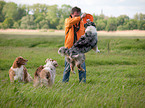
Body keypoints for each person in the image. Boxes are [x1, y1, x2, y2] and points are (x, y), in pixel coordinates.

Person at [62, 6, 87, 83]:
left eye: (78, 15)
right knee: (68, 67)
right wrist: (80, 18)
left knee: (82, 67)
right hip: (69, 49)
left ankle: (83, 83)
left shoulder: (82, 23)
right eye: (75, 15)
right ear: (71, 14)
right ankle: (64, 83)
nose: (77, 17)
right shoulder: (68, 21)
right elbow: (70, 22)